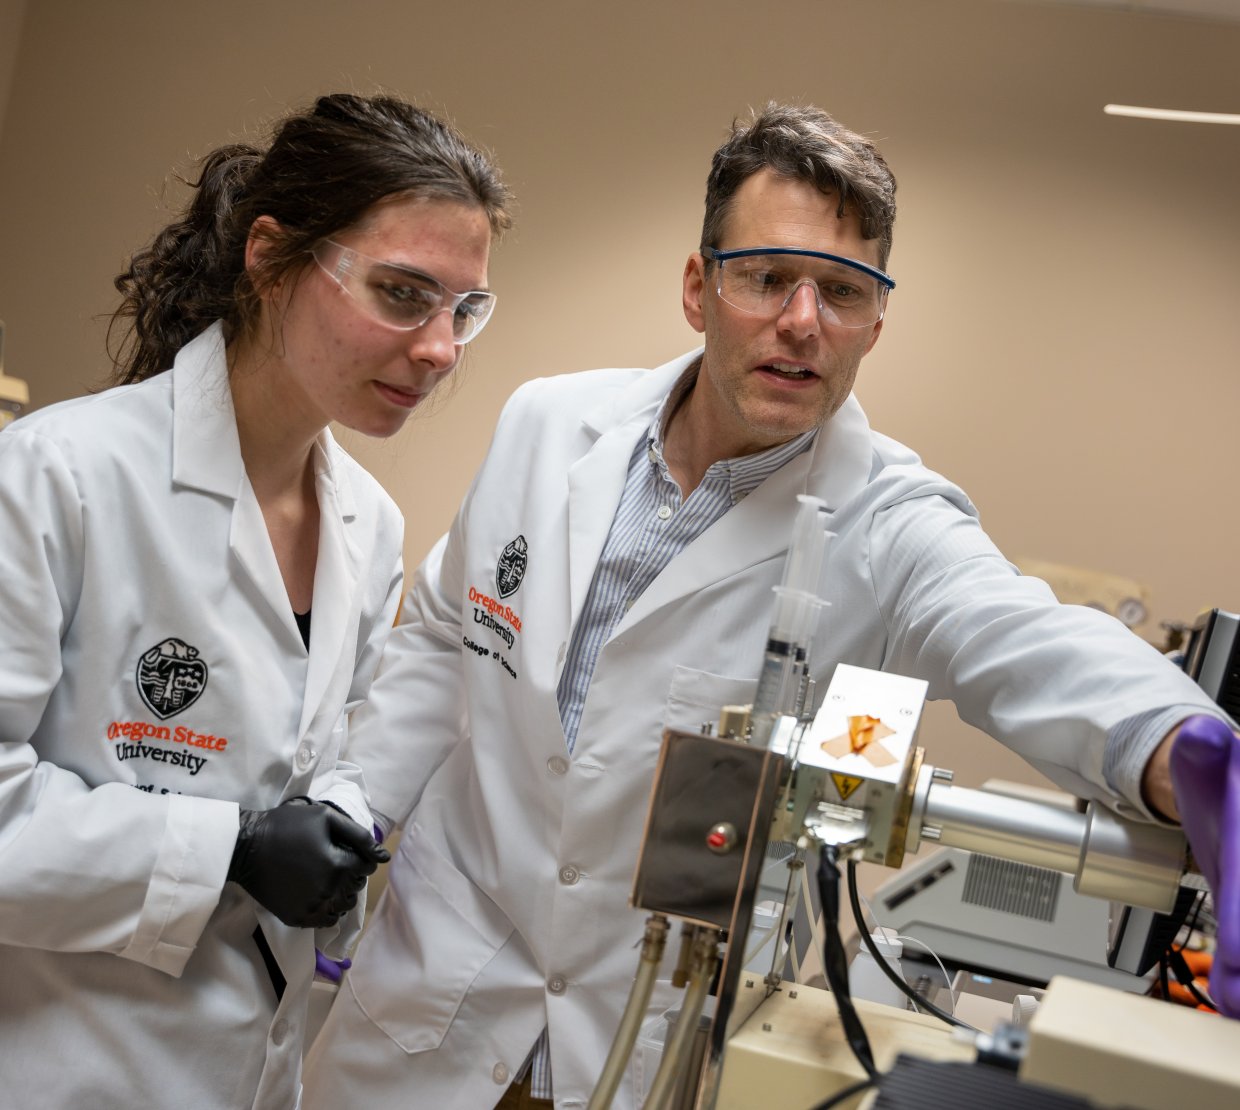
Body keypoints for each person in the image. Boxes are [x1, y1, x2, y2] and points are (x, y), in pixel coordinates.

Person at [302, 103, 1237, 1110]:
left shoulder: (889, 522)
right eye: (765, 277)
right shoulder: (548, 422)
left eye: (842, 291)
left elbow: (1028, 641)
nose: (803, 320)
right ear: (698, 287)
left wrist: (1194, 757)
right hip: (429, 1008)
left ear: (876, 324)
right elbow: (449, 639)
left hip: (639, 1043)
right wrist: (355, 811)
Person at [0, 92, 511, 1109]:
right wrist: (226, 849)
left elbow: (333, 763)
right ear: (271, 258)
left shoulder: (366, 525)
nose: (440, 348)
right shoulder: (59, 473)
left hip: (252, 1070)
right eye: (402, 293)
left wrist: (341, 824)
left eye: (464, 310)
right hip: (60, 1066)